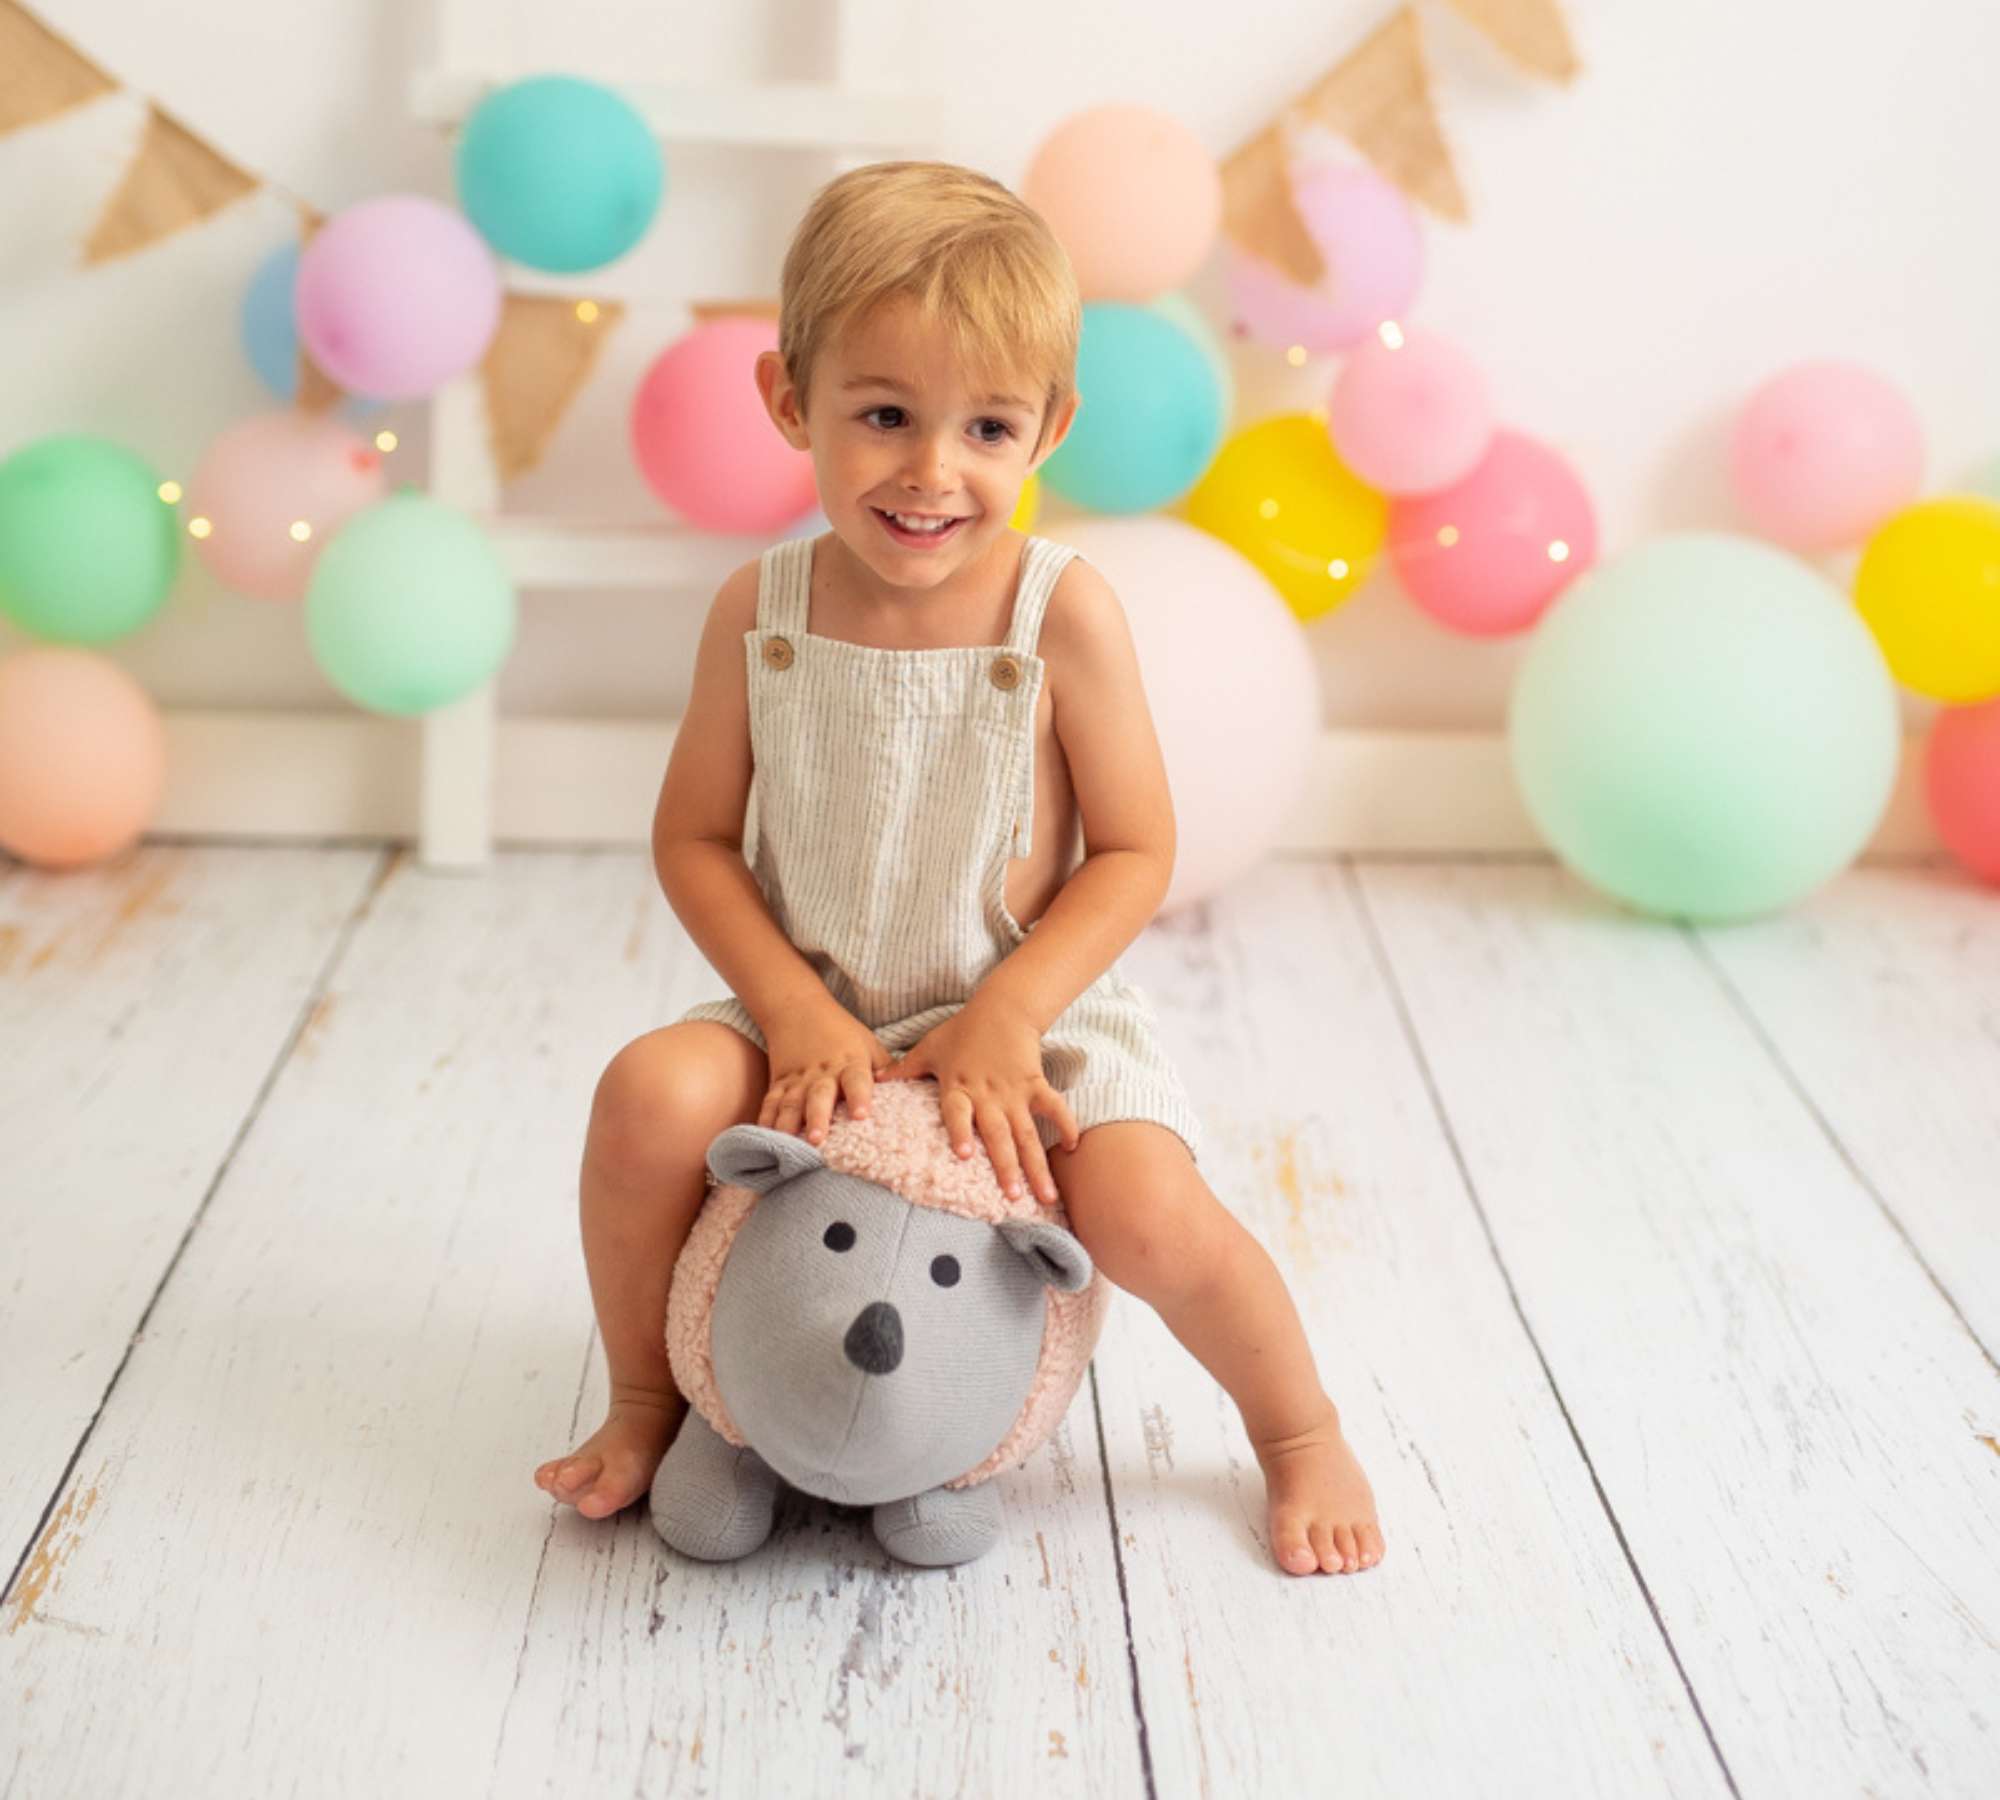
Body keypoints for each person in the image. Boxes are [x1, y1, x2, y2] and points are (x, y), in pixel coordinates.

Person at [534, 160, 1383, 1577]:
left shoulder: (1065, 617)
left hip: (1024, 1004)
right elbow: (692, 839)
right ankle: (643, 1396)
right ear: (791, 400)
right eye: (883, 416)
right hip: (814, 1004)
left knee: (1143, 1204)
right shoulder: (764, 609)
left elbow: (1133, 848)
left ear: (1051, 425)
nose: (934, 471)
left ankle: (1298, 1429)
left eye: (988, 426)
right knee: (645, 1102)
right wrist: (793, 1011)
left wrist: (1009, 1017)